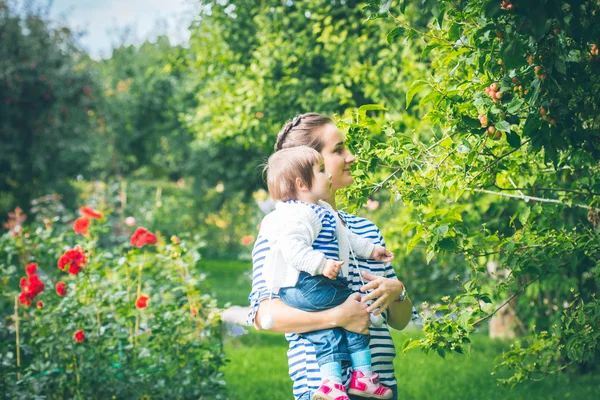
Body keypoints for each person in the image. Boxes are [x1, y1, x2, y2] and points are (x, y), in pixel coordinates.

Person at [247, 113, 413, 400]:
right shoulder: (282, 229)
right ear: (308, 168)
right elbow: (263, 315)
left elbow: (400, 321)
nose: (352, 157)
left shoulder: (365, 230)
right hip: (321, 390)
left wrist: (396, 291)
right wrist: (338, 316)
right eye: (338, 150)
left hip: (380, 385)